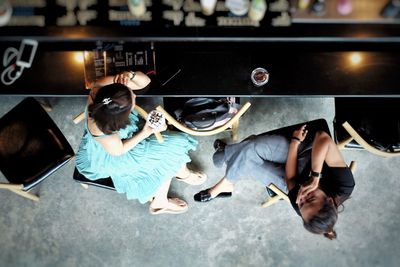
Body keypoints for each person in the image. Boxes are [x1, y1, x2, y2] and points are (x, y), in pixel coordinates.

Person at [76, 70, 207, 215]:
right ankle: (163, 197)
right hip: (115, 157)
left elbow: (146, 82)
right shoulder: (104, 132)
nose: (134, 94)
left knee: (169, 145)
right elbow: (118, 151)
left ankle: (179, 174)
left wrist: (130, 75)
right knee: (175, 145)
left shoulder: (99, 89)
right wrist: (147, 131)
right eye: (132, 97)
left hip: (112, 144)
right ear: (120, 118)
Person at [194, 123, 355, 239]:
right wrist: (314, 177)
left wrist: (293, 142)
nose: (302, 197)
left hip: (292, 172)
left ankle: (226, 162)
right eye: (311, 198)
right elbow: (323, 137)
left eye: (302, 204)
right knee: (252, 146)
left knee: (249, 152)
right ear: (329, 199)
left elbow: (290, 178)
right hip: (308, 151)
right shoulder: (344, 186)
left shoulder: (302, 207)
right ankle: (225, 174)